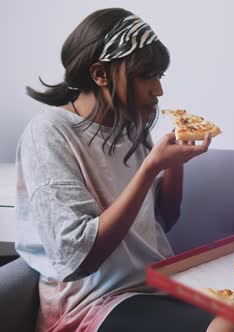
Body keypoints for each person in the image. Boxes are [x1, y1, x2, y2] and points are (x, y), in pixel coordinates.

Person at [16, 8, 215, 332]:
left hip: (156, 284)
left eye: (160, 76)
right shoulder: (50, 132)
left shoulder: (130, 131)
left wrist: (174, 164)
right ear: (100, 74)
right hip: (92, 302)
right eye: (146, 75)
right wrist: (149, 170)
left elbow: (164, 218)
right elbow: (78, 256)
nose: (159, 90)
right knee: (224, 325)